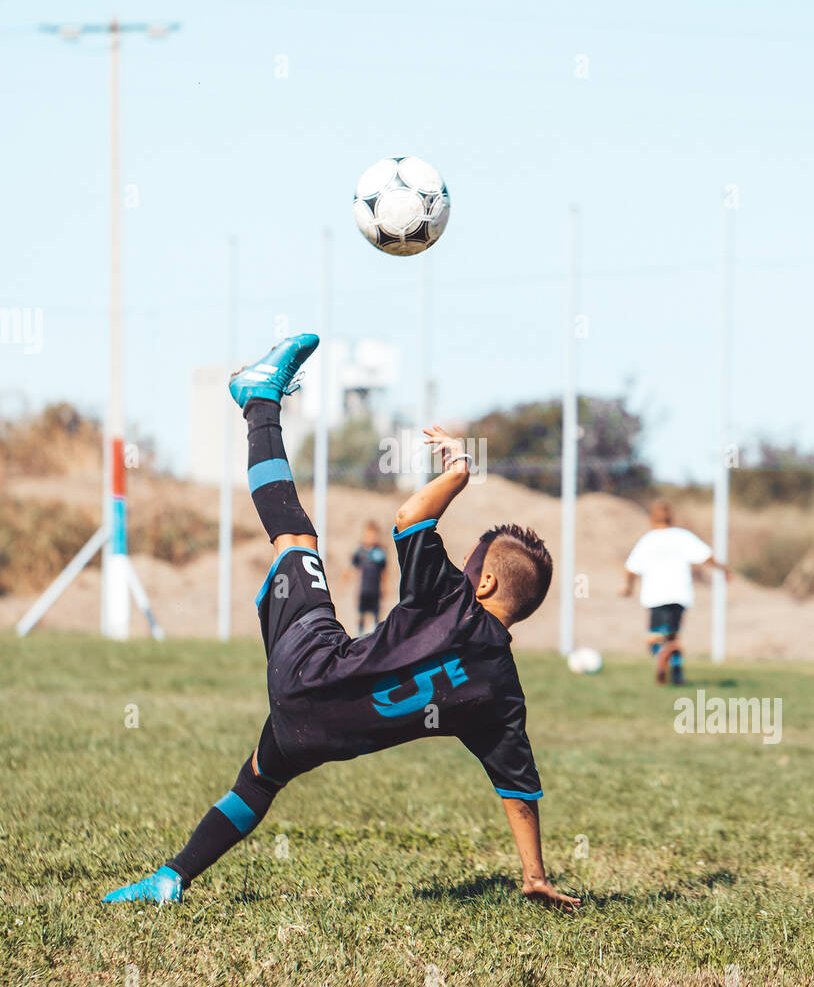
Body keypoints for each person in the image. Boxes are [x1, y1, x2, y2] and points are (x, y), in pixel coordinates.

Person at [103, 334, 579, 911]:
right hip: (316, 731)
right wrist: (533, 875)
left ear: (483, 584)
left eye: (472, 560)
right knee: (257, 780)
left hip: (307, 665)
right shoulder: (500, 690)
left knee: (296, 537)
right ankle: (169, 879)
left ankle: (259, 403)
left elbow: (408, 517)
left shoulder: (448, 596)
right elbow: (518, 790)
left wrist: (458, 471)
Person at [619, 500, 732, 685]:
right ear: (671, 518)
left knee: (654, 640)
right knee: (673, 636)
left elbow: (631, 568)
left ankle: (662, 655)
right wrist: (724, 569)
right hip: (680, 595)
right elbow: (706, 556)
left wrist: (628, 587)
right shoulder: (683, 537)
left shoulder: (648, 540)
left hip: (656, 596)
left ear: (652, 519)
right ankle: (677, 672)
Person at [346, 521, 388, 634]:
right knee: (361, 614)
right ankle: (359, 634)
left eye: (373, 535)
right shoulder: (360, 552)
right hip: (363, 590)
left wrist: (385, 587)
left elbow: (384, 572)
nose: (371, 537)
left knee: (376, 614)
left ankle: (375, 634)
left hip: (375, 590)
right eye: (368, 535)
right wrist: (345, 582)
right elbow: (352, 568)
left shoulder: (380, 553)